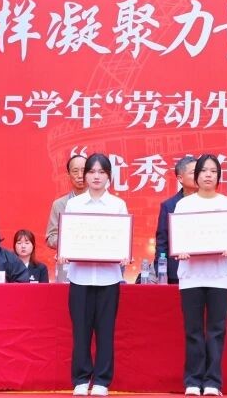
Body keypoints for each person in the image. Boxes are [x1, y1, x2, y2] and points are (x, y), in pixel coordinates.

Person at [64, 153, 129, 396]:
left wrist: (124, 253)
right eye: (91, 172)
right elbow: (68, 236)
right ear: (85, 175)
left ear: (109, 176)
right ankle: (81, 379)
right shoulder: (74, 205)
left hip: (108, 277)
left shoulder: (117, 205)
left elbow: (122, 238)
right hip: (79, 276)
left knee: (105, 330)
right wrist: (64, 251)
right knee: (80, 330)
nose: (96, 176)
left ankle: (102, 380)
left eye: (101, 172)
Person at [175, 154, 227, 396]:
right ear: (196, 176)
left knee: (216, 330)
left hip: (219, 276)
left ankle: (213, 382)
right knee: (193, 330)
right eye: (204, 170)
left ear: (219, 176)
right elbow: (177, 238)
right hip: (191, 276)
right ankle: (192, 380)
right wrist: (180, 249)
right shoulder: (184, 205)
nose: (208, 175)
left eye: (213, 171)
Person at [155, 155, 198, 284]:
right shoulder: (169, 205)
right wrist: (161, 271)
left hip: (206, 270)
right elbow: (162, 242)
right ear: (180, 178)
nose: (198, 175)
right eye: (193, 172)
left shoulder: (212, 202)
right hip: (177, 271)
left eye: (200, 171)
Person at [46, 154, 89, 281]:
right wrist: (68, 242)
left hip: (96, 267)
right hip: (68, 266)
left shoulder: (101, 203)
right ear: (68, 175)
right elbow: (50, 237)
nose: (80, 175)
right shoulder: (59, 204)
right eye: (75, 171)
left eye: (84, 170)